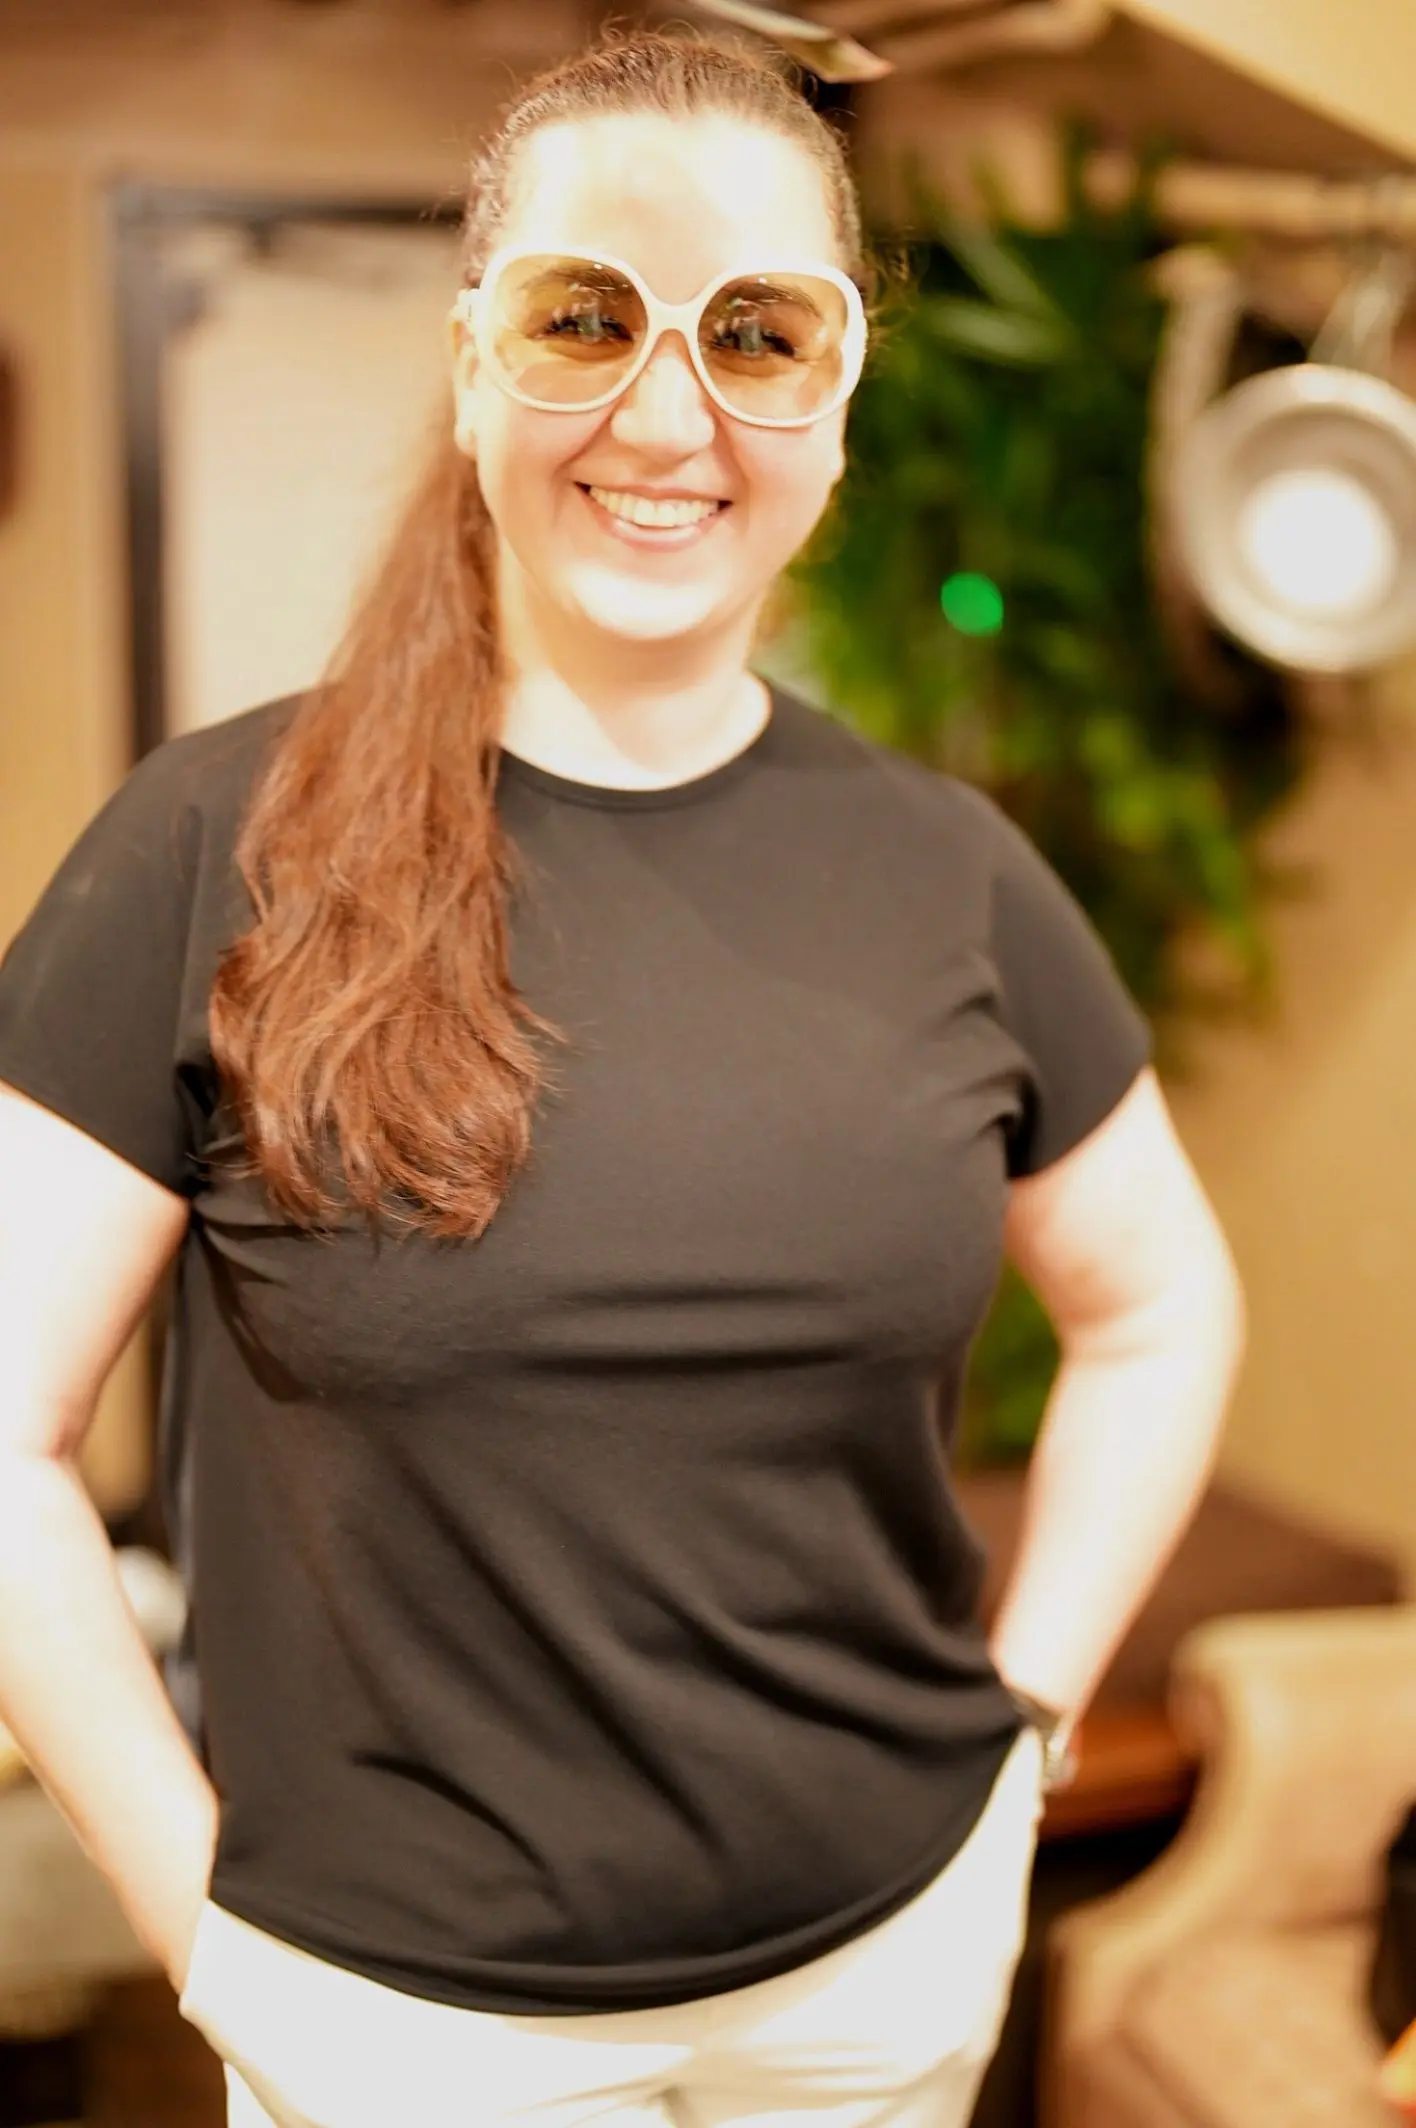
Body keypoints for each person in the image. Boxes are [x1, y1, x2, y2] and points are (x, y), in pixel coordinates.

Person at [0, 27, 1245, 2128]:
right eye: (586, 316)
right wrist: (200, 1925)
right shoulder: (209, 846)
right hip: (405, 2029)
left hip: (874, 1991)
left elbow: (1161, 1307)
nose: (669, 417)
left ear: (836, 402)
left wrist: (1023, 1732)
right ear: (471, 362)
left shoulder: (953, 873)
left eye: (758, 333)